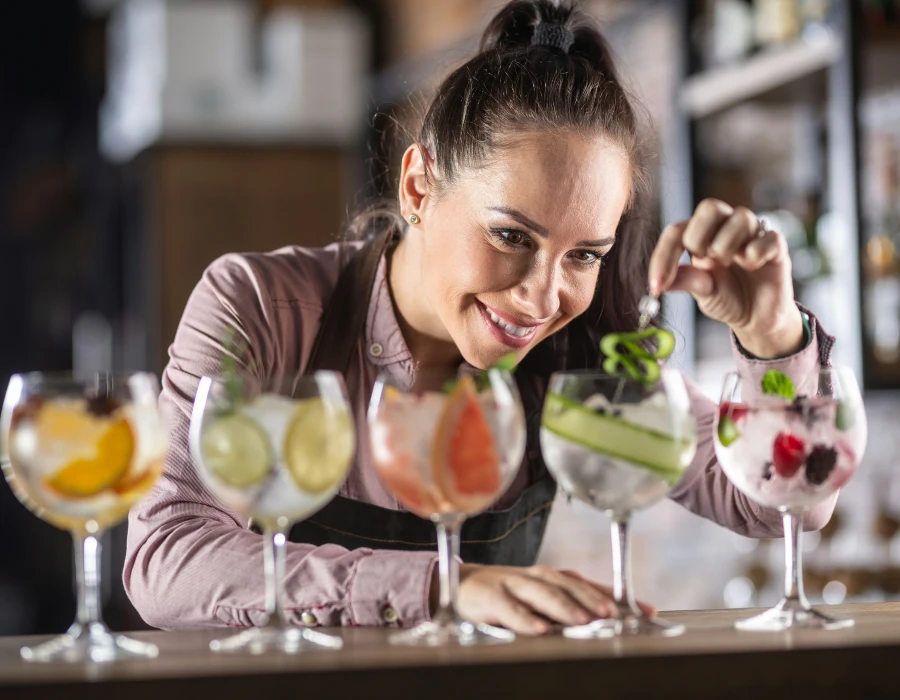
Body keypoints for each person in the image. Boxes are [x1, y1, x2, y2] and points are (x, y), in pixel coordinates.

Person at [125, 0, 836, 636]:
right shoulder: (263, 308)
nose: (541, 297)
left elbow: (784, 508)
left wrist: (771, 338)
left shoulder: (578, 355)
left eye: (585, 255)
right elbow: (167, 559)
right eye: (511, 237)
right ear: (417, 187)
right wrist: (444, 588)